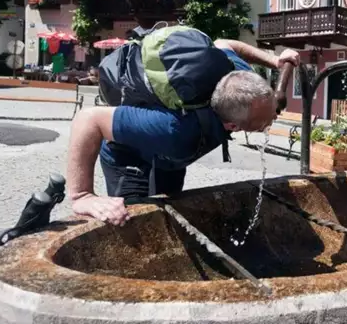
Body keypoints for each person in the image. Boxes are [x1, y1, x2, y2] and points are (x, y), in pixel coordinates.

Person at [67, 39, 299, 226]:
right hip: (130, 156)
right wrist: (83, 196)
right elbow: (88, 120)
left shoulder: (237, 74)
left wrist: (275, 60)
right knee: (135, 225)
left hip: (171, 159)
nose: (273, 118)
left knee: (169, 218)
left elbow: (225, 44)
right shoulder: (176, 131)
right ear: (232, 126)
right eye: (264, 122)